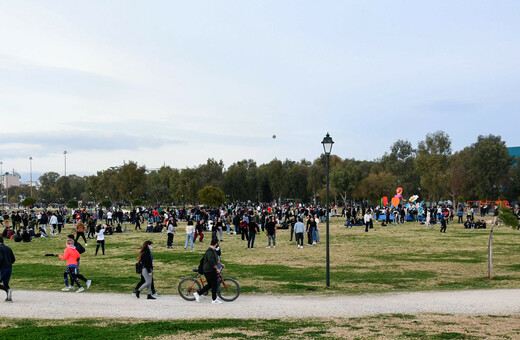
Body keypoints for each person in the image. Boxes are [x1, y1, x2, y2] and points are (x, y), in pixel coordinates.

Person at [193, 238, 223, 304]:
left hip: (210, 270)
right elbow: (211, 261)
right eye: (217, 243)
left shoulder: (212, 250)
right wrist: (217, 269)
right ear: (216, 244)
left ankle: (198, 293)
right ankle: (214, 299)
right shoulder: (210, 251)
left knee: (211, 284)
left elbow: (215, 259)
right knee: (214, 283)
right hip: (208, 270)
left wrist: (220, 264)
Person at [0, 237, 15, 302]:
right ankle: (9, 297)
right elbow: (13, 259)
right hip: (9, 267)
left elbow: (0, 258)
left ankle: (7, 290)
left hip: (2, 268)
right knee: (5, 283)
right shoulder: (8, 248)